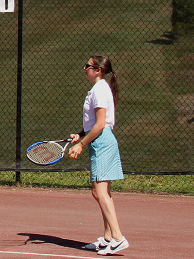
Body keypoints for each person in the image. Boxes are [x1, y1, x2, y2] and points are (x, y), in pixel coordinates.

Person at [67, 55, 128, 255]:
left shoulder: (100, 90)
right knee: (98, 192)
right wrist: (81, 134)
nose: (84, 68)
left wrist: (81, 144)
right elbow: (95, 123)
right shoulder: (97, 89)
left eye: (88, 66)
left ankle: (118, 238)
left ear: (98, 70)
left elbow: (101, 124)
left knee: (101, 193)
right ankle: (108, 238)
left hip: (102, 142)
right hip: (98, 140)